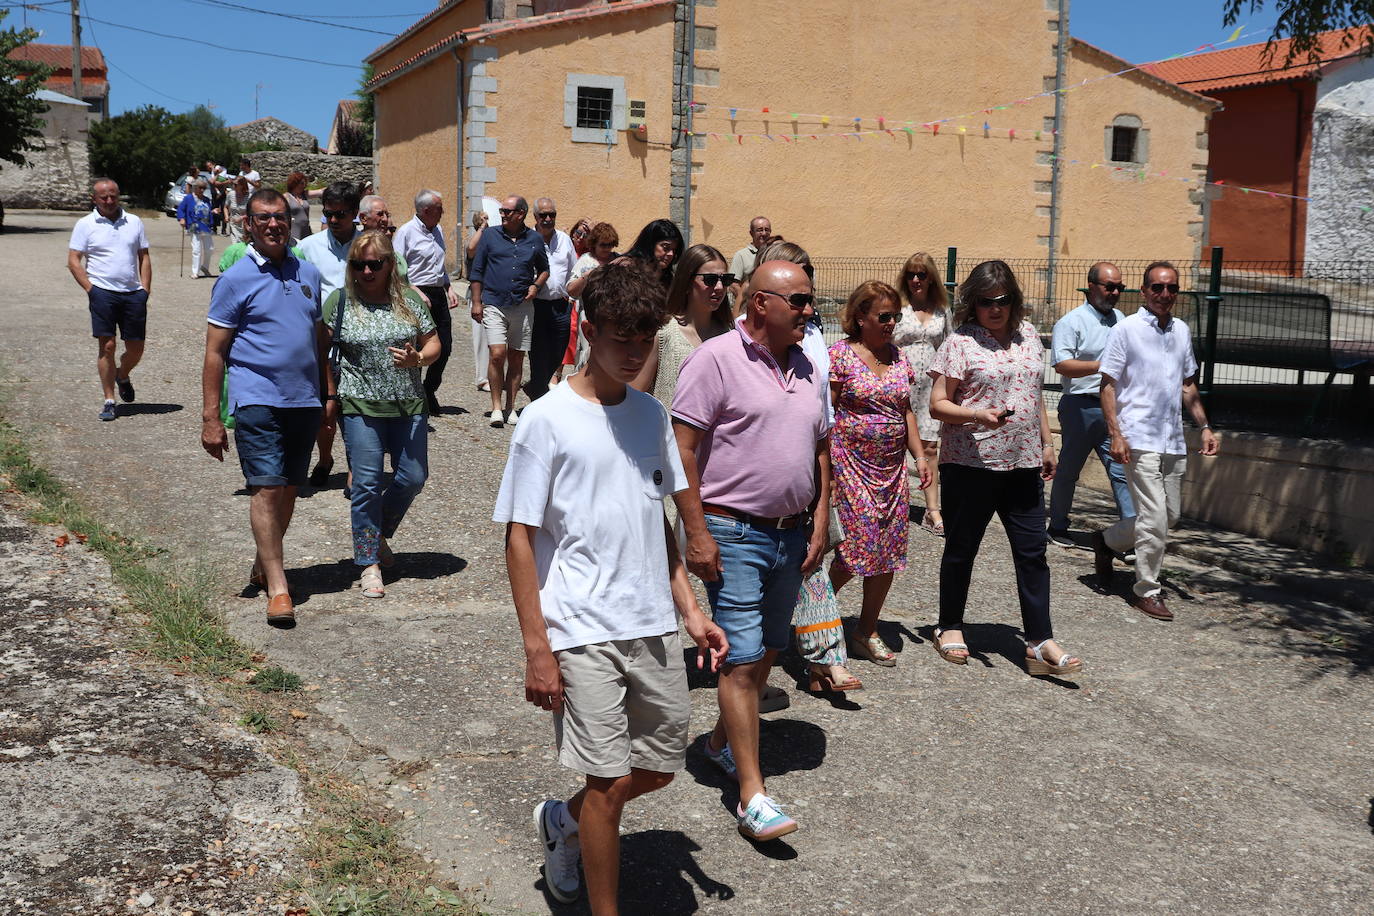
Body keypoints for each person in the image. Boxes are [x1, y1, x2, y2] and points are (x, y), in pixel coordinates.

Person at [496, 260, 727, 911]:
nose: (633, 351)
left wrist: (691, 611)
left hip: (651, 624)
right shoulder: (546, 420)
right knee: (607, 781)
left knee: (658, 766)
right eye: (620, 336)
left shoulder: (652, 416)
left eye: (645, 338)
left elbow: (660, 526)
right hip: (578, 630)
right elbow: (518, 539)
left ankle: (561, 822)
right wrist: (537, 647)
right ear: (587, 329)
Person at [671, 260, 830, 841]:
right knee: (740, 660)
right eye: (802, 301)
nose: (811, 311)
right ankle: (751, 794)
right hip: (733, 532)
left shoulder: (809, 364)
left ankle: (716, 745)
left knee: (768, 650)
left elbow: (819, 450)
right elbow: (681, 452)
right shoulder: (714, 360)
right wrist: (696, 533)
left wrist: (820, 521)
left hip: (792, 533)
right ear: (762, 304)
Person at [927, 260, 1083, 678]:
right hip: (970, 464)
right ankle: (950, 625)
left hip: (1024, 463)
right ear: (972, 304)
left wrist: (1049, 444)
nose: (995, 309)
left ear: (1014, 299)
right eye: (985, 302)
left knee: (1034, 552)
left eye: (1003, 300)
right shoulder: (960, 342)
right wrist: (978, 414)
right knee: (962, 549)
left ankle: (1038, 640)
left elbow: (1033, 395)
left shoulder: (1029, 335)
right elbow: (937, 404)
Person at [201, 189, 332, 629]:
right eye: (264, 218)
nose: (274, 225)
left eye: (281, 217)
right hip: (256, 398)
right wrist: (210, 417)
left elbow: (318, 340)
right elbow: (215, 353)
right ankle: (279, 586)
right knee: (267, 488)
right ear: (248, 224)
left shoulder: (308, 273)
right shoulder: (235, 279)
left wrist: (328, 394)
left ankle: (263, 562)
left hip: (304, 400)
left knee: (291, 488)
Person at [751, 239, 860, 695]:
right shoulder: (735, 342)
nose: (807, 302)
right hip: (761, 474)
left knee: (813, 559)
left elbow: (822, 406)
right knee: (783, 572)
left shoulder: (814, 336)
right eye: (797, 292)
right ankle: (792, 665)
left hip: (813, 457)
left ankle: (824, 658)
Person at [1095, 261, 1219, 621]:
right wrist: (1116, 434)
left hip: (1173, 439)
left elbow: (1187, 383)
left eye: (1171, 289)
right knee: (1153, 517)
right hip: (1138, 437)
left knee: (1169, 517)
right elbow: (1108, 384)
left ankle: (1105, 541)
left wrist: (1205, 426)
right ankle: (1147, 590)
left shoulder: (1181, 331)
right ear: (1145, 291)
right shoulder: (1126, 330)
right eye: (1157, 288)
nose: (1165, 295)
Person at [325, 230, 439, 599]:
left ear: (391, 264)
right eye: (360, 265)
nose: (368, 271)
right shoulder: (340, 302)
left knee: (413, 477)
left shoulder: (408, 300)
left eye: (376, 264)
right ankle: (368, 562)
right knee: (367, 484)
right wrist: (328, 395)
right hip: (360, 404)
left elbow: (433, 341)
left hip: (409, 404)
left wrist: (419, 358)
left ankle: (374, 535)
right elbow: (319, 350)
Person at [827, 281, 933, 668]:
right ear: (861, 318)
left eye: (895, 316)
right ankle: (812, 613)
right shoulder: (839, 356)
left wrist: (919, 456)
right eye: (883, 316)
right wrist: (827, 472)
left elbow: (905, 411)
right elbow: (827, 413)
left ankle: (865, 630)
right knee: (855, 548)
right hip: (850, 465)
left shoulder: (899, 358)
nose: (891, 323)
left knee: (887, 551)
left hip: (891, 470)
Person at [299, 182, 411, 488]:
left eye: (341, 214)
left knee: (354, 406)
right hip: (322, 337)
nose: (334, 220)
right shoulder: (309, 247)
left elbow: (397, 276)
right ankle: (324, 458)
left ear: (355, 215)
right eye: (329, 214)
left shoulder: (370, 245)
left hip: (361, 337)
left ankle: (355, 469)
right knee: (327, 403)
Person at [1047, 261, 1136, 548]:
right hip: (1080, 407)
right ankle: (1057, 525)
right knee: (1069, 470)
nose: (1115, 292)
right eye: (1109, 286)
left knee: (1121, 472)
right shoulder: (1071, 322)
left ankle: (1130, 536)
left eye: (1119, 287)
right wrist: (1102, 366)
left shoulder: (1122, 319)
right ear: (1092, 286)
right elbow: (1062, 365)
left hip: (1114, 408)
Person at [67, 178, 152, 422]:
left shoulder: (134, 221)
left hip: (133, 292)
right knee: (107, 346)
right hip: (102, 291)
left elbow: (144, 256)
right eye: (103, 197)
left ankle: (122, 374)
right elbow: (74, 259)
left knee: (136, 348)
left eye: (113, 195)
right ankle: (109, 400)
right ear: (94, 199)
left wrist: (145, 289)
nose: (109, 201)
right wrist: (90, 289)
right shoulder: (86, 224)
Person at [469, 195, 549, 427]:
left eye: (507, 211)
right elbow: (477, 270)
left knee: (516, 357)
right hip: (494, 302)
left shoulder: (534, 239)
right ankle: (495, 407)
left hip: (522, 306)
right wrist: (476, 302)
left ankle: (510, 407)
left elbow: (544, 269)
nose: (502, 214)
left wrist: (536, 286)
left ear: (521, 214)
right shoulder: (490, 236)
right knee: (497, 354)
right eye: (502, 210)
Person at [892, 251, 950, 536]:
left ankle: (932, 509)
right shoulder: (897, 307)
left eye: (922, 275)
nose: (916, 280)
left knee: (929, 448)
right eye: (911, 275)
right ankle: (893, 504)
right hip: (900, 383)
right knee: (894, 446)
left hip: (930, 387)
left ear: (931, 279)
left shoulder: (942, 310)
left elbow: (950, 347)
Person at [630, 243, 733, 403]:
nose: (719, 287)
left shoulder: (730, 335)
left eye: (726, 279)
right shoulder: (663, 333)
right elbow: (634, 396)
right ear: (687, 281)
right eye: (710, 279)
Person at [394, 190, 458, 415]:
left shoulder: (437, 230)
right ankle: (416, 395)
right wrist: (414, 291)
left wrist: (448, 286)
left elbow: (438, 266)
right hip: (415, 293)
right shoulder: (406, 232)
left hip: (437, 293)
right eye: (440, 208)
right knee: (418, 345)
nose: (443, 212)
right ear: (426, 211)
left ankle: (429, 389)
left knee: (445, 346)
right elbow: (397, 269)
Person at [526, 197, 578, 402]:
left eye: (552, 215)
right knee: (538, 353)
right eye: (543, 215)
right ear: (535, 217)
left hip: (560, 305)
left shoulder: (564, 239)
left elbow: (573, 269)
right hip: (535, 305)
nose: (548, 219)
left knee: (558, 352)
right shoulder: (527, 239)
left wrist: (571, 297)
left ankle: (536, 386)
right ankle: (538, 396)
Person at [566, 221, 618, 371]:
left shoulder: (618, 260)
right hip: (589, 315)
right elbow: (570, 289)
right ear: (594, 244)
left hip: (613, 315)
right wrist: (587, 276)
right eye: (603, 245)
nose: (607, 249)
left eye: (610, 245)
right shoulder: (586, 261)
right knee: (588, 351)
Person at [464, 209, 490, 391]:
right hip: (477, 294)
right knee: (481, 338)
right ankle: (482, 377)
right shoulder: (474, 240)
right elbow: (471, 249)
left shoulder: (492, 241)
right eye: (483, 219)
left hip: (493, 293)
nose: (487, 221)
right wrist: (483, 228)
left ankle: (494, 375)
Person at [618, 219, 682, 290]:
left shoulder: (669, 279)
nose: (671, 254)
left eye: (674, 250)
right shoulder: (625, 271)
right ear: (650, 244)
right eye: (665, 247)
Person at [728, 216, 771, 307]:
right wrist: (748, 303)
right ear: (751, 233)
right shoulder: (741, 255)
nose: (764, 233)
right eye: (759, 230)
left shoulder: (772, 254)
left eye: (767, 230)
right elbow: (733, 285)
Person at [177, 178, 216, 279]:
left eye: (204, 188)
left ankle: (205, 267)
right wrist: (181, 219)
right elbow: (181, 209)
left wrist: (213, 213)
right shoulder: (188, 198)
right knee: (196, 250)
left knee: (210, 249)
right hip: (194, 226)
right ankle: (195, 272)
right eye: (200, 188)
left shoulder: (206, 199)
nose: (202, 190)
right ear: (195, 188)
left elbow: (208, 211)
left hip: (206, 227)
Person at [284, 171, 323, 242]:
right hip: (293, 230)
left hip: (306, 229)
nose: (304, 185)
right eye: (302, 183)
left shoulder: (304, 194)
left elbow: (321, 191)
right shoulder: (286, 197)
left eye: (305, 183)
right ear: (294, 183)